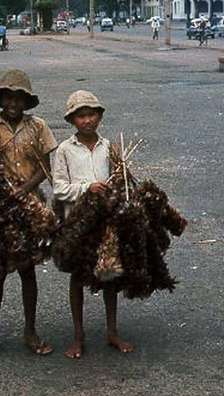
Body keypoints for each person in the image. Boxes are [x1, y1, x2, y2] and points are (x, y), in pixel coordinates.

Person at [0, 69, 57, 359]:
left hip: (29, 206)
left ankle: (30, 331)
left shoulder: (38, 127)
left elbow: (45, 168)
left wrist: (25, 189)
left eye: (19, 97)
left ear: (27, 101)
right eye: (8, 97)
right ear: (0, 99)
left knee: (27, 270)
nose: (13, 103)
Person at [52, 90, 135, 359]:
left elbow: (121, 185)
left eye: (91, 115)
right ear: (72, 120)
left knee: (110, 275)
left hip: (105, 223)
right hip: (77, 223)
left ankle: (112, 332)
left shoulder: (109, 147)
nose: (87, 120)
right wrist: (88, 188)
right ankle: (79, 336)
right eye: (81, 116)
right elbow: (59, 189)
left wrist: (119, 185)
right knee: (78, 278)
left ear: (99, 117)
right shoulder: (65, 150)